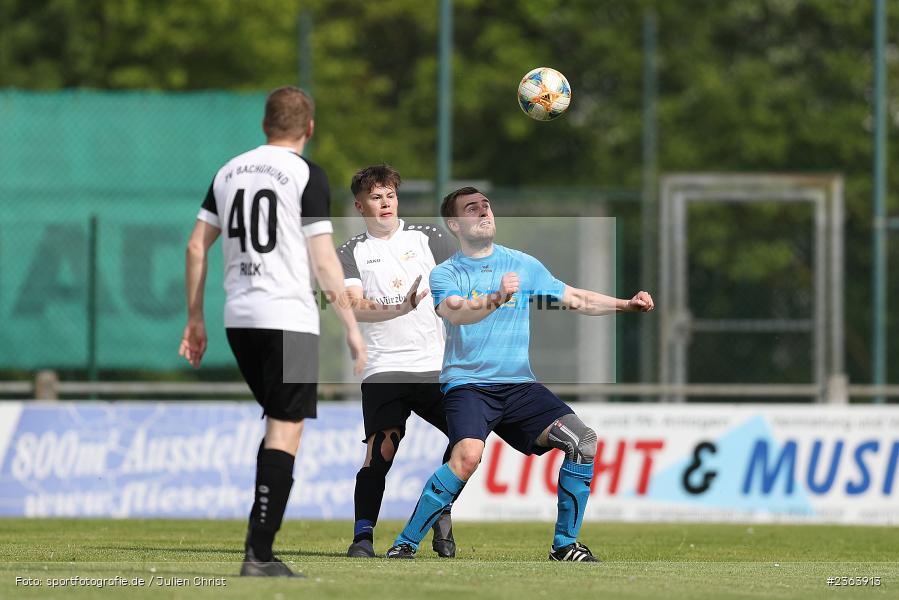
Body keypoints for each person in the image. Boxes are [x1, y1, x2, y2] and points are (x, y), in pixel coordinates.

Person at [386, 187, 654, 562]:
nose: (483, 212)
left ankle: (564, 546)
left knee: (583, 443)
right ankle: (405, 543)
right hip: (469, 385)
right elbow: (456, 312)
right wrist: (496, 297)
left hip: (519, 387)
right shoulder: (445, 273)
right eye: (471, 208)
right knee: (467, 456)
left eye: (486, 205)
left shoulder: (522, 264)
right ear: (454, 223)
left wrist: (626, 304)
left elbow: (574, 298)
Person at [179, 86, 366, 577]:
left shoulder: (228, 171)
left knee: (277, 425)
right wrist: (351, 327)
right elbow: (323, 259)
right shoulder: (306, 174)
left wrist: (194, 318)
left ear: (265, 125)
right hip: (290, 319)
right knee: (286, 430)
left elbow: (197, 247)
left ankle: (260, 547)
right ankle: (259, 554)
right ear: (310, 127)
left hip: (239, 320)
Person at [337, 164, 459, 558]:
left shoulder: (430, 237)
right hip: (384, 367)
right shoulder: (350, 251)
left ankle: (440, 511)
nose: (385, 202)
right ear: (360, 205)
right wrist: (400, 307)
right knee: (380, 453)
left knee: (467, 440)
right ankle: (362, 538)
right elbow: (355, 306)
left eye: (390, 194)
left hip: (436, 365)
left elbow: (459, 287)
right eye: (376, 196)